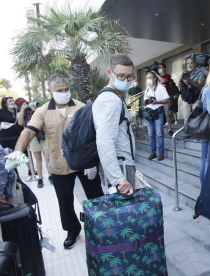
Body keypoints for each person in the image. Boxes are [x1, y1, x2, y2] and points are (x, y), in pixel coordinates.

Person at [6, 74, 104, 250]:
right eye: (60, 90)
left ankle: (102, 227)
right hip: (59, 164)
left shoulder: (82, 107)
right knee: (64, 200)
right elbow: (28, 131)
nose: (64, 93)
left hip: (84, 162)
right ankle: (72, 231)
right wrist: (17, 151)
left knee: (95, 195)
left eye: (67, 89)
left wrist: (95, 162)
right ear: (50, 91)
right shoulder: (43, 111)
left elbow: (95, 133)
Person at [92, 53, 136, 195]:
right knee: (125, 214)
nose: (126, 80)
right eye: (121, 75)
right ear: (110, 73)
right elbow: (104, 140)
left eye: (130, 76)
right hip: (120, 166)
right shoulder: (111, 100)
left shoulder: (112, 96)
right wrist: (119, 178)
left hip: (121, 165)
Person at [15, 98, 52, 188]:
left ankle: (51, 176)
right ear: (19, 106)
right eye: (22, 104)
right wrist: (22, 110)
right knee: (38, 159)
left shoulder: (36, 111)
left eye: (26, 103)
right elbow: (20, 123)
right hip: (33, 138)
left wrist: (36, 111)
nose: (26, 105)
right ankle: (40, 178)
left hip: (44, 135)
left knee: (48, 158)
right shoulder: (21, 113)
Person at [144, 71, 170, 161]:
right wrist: (147, 100)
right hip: (149, 113)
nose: (148, 79)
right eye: (147, 78)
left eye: (149, 77)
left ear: (155, 79)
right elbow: (144, 102)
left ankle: (161, 154)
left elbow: (167, 99)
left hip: (158, 112)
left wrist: (157, 102)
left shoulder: (161, 88)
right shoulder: (147, 89)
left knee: (159, 134)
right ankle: (153, 153)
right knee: (151, 134)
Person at [179, 57, 206, 141]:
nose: (189, 65)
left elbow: (199, 86)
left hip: (196, 97)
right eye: (188, 63)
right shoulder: (185, 73)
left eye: (191, 63)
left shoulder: (199, 73)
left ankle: (197, 134)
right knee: (186, 117)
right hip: (186, 98)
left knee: (196, 116)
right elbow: (180, 87)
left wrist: (190, 81)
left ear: (195, 64)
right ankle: (188, 133)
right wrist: (180, 79)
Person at [153, 63, 173, 132]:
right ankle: (159, 128)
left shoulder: (167, 75)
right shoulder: (156, 78)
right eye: (158, 68)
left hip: (166, 98)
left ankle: (169, 128)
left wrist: (156, 74)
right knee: (159, 113)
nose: (159, 69)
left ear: (164, 69)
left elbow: (164, 81)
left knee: (168, 113)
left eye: (160, 67)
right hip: (158, 98)